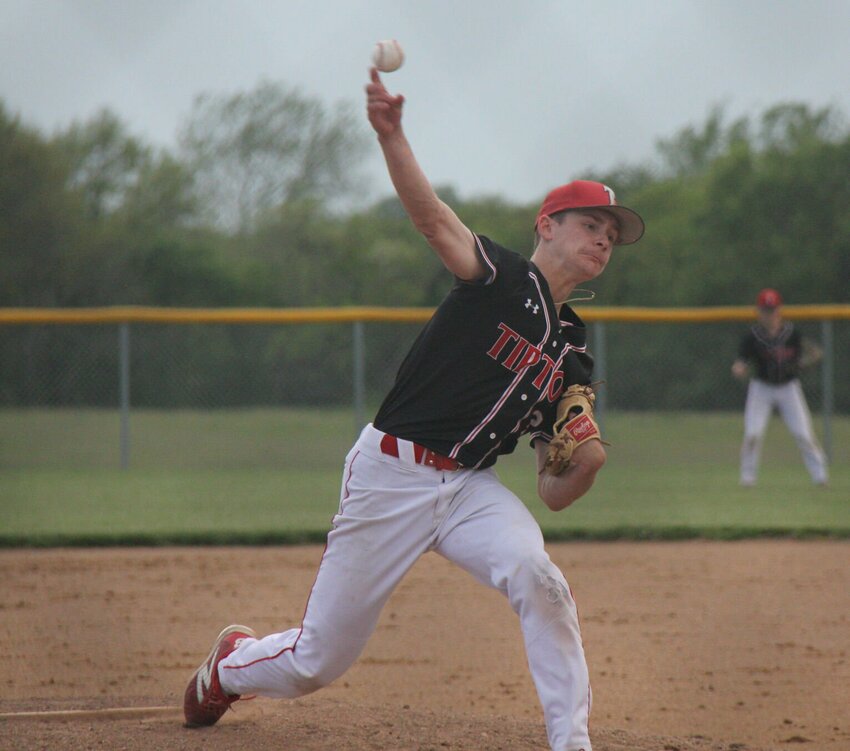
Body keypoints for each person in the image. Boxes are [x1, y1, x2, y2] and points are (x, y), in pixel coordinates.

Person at [182, 68, 645, 751]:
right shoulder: (502, 277)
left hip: (468, 489)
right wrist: (393, 135)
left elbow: (551, 491)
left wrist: (587, 462)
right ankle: (230, 664)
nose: (604, 237)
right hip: (391, 474)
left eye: (613, 232)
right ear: (548, 224)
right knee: (317, 661)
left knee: (539, 575)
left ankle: (571, 742)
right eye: (591, 223)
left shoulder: (573, 348)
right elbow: (432, 219)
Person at [731, 288, 829, 487]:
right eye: (766, 310)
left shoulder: (792, 333)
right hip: (761, 388)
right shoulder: (752, 337)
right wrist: (739, 367)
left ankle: (820, 476)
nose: (770, 314)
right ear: (759, 311)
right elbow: (741, 361)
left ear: (779, 310)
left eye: (773, 309)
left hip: (788, 388)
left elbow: (811, 353)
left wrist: (806, 361)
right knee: (752, 434)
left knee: (803, 434)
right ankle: (747, 478)